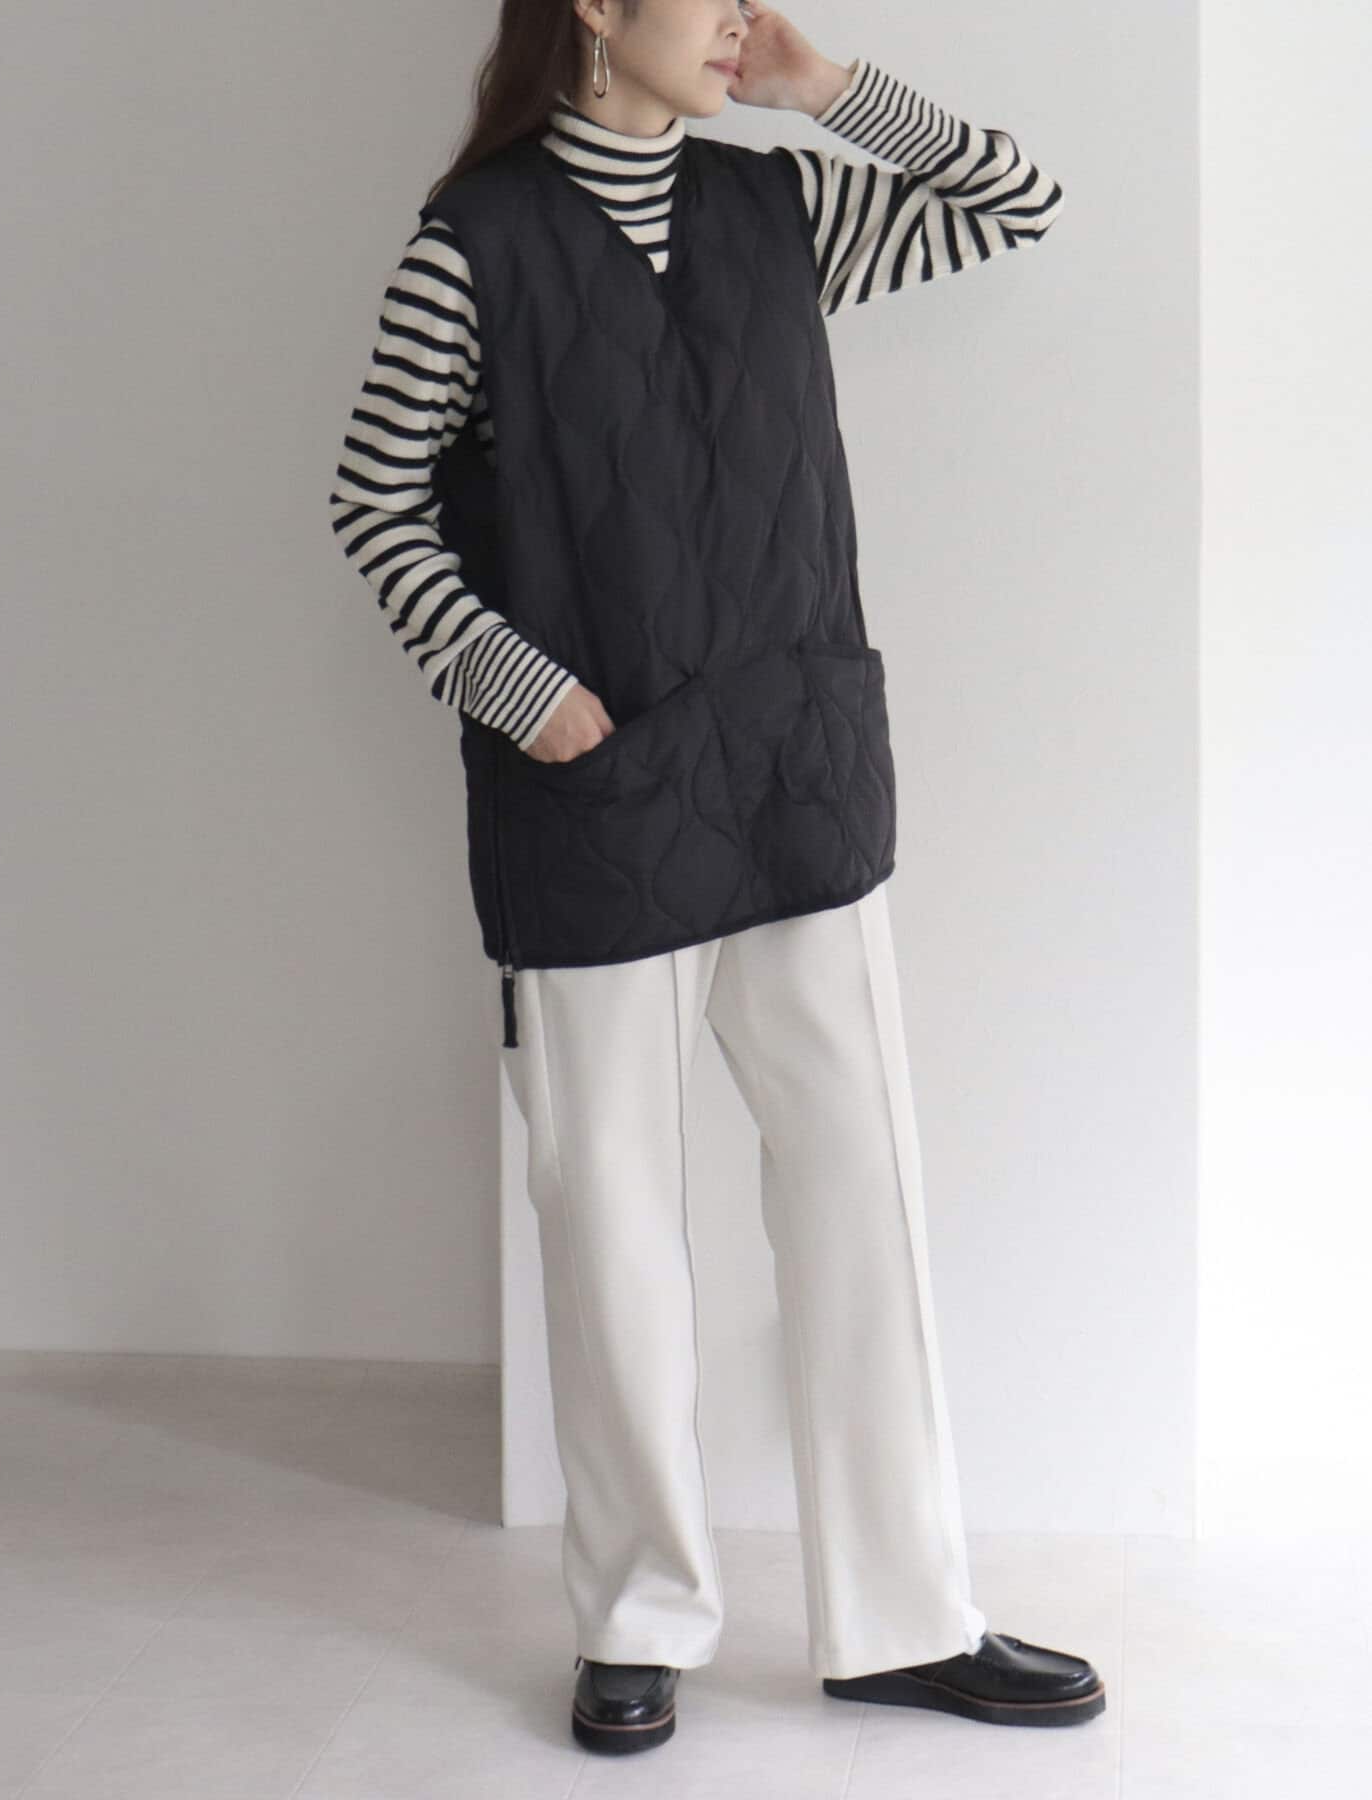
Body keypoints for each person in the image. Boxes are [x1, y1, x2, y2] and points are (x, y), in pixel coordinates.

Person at [330, 0, 1101, 1757]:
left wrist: (824, 88)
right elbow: (377, 499)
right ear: (596, 6)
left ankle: (905, 1618)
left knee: (862, 1191)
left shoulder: (779, 203)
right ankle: (638, 1617)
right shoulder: (476, 246)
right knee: (609, 1212)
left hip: (794, 768)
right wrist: (518, 687)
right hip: (595, 790)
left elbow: (1014, 197)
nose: (745, 12)